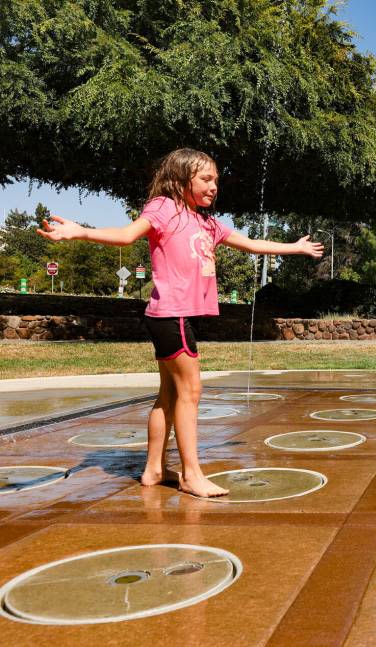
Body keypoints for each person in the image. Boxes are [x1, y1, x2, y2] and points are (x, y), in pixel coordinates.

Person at [37, 148, 323, 496]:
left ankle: (154, 470)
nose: (213, 186)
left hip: (178, 315)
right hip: (172, 314)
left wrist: (295, 248)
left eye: (216, 180)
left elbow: (249, 243)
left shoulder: (206, 222)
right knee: (191, 392)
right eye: (205, 178)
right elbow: (127, 235)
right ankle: (191, 475)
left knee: (170, 396)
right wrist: (81, 232)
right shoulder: (163, 208)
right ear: (180, 179)